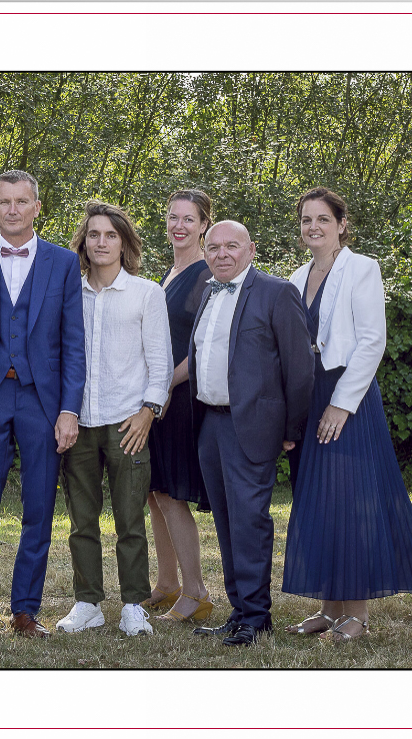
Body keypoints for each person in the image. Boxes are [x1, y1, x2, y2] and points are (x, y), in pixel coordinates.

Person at [281, 188, 412, 642]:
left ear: (341, 225)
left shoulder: (362, 268)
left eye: (322, 219)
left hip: (346, 400)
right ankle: (329, 610)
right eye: (306, 220)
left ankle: (358, 615)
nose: (313, 227)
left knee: (352, 503)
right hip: (309, 400)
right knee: (319, 504)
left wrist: (341, 404)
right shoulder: (296, 278)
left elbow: (372, 341)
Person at [0, 170, 87, 639]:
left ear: (36, 207)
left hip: (41, 401)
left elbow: (74, 343)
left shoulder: (65, 263)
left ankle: (26, 611)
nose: (12, 209)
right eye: (4, 201)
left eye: (21, 201)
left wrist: (70, 409)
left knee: (38, 509)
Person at [185, 220, 314, 647]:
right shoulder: (206, 290)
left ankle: (257, 617)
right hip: (211, 423)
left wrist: (290, 429)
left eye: (232, 246)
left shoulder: (277, 292)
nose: (222, 253)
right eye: (214, 247)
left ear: (251, 249)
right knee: (225, 522)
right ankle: (239, 610)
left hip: (253, 426)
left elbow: (299, 369)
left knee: (249, 523)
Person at [54, 202, 172, 637]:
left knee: (130, 520)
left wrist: (148, 412)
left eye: (109, 235)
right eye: (93, 234)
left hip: (128, 422)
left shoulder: (147, 293)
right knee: (81, 519)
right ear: (83, 242)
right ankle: (87, 603)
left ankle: (134, 605)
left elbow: (161, 363)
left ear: (124, 242)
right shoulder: (70, 293)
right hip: (79, 422)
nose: (100, 242)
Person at [146, 189, 218, 624]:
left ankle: (197, 592)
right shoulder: (170, 272)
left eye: (188, 220)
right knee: (155, 492)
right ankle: (167, 582)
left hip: (181, 394)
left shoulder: (209, 274)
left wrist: (163, 384)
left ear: (205, 225)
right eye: (173, 217)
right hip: (158, 397)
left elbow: (203, 348)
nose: (179, 226)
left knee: (173, 494)